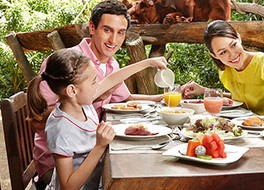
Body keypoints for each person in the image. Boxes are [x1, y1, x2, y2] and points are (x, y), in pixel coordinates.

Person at [33, 0, 163, 186]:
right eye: (107, 30)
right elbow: (43, 120)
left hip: (92, 149)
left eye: (121, 33)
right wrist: (93, 100)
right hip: (58, 163)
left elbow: (125, 98)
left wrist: (163, 98)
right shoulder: (67, 64)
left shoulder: (111, 64)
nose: (114, 40)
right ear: (92, 28)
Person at [27, 49, 167, 189]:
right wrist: (99, 146)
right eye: (93, 82)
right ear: (72, 90)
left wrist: (148, 63)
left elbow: (112, 79)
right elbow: (68, 186)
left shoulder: (81, 103)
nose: (98, 85)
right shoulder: (61, 129)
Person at [181, 20, 264, 116]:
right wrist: (205, 91)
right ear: (214, 55)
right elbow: (238, 99)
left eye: (233, 45)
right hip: (245, 128)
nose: (232, 54)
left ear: (239, 38)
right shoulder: (225, 71)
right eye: (223, 52)